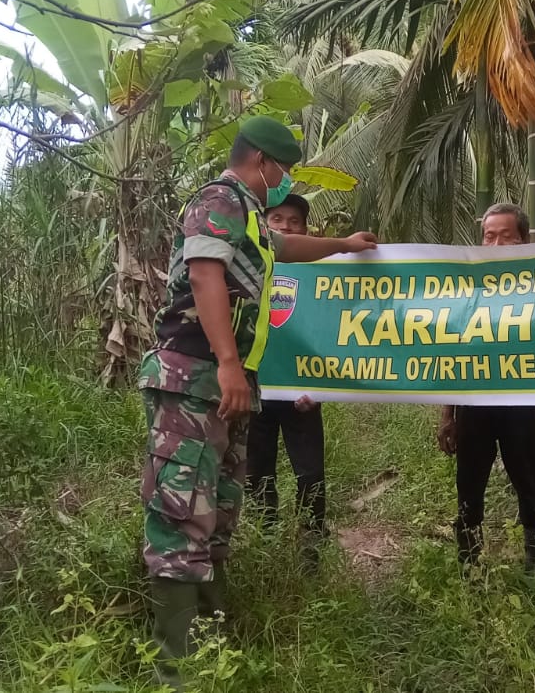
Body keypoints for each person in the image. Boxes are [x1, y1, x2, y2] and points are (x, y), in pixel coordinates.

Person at [139, 116, 376, 688]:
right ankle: (175, 667)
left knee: (217, 512)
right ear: (262, 162)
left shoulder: (247, 214)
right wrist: (226, 363)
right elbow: (203, 275)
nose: (286, 181)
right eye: (285, 170)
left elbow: (285, 245)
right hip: (193, 375)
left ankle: (214, 639)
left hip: (221, 384)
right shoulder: (219, 199)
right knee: (180, 516)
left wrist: (344, 245)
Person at [436, 202, 535, 573]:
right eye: (488, 237)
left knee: (529, 489)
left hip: (520, 407)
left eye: (505, 237)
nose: (495, 244)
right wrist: (447, 414)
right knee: (468, 491)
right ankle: (469, 568)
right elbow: (449, 352)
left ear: (523, 241)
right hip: (474, 408)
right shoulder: (464, 290)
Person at [246, 192, 328, 566]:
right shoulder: (244, 268)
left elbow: (332, 332)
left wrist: (321, 387)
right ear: (264, 224)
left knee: (310, 473)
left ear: (306, 230)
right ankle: (263, 539)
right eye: (277, 218)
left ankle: (312, 544)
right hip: (253, 389)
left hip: (301, 394)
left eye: (294, 221)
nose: (285, 226)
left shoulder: (320, 277)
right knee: (256, 471)